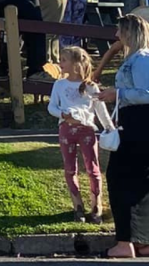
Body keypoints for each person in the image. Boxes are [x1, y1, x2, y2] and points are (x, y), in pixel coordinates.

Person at [98, 16, 149, 258]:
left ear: (129, 32)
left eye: (120, 31)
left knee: (119, 178)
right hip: (135, 122)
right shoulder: (135, 59)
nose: (117, 36)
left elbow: (146, 94)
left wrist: (117, 93)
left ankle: (124, 241)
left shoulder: (141, 60)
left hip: (140, 124)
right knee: (139, 181)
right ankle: (141, 240)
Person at [48, 46, 109, 224]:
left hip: (87, 130)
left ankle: (96, 205)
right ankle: (78, 205)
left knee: (93, 168)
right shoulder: (59, 84)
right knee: (70, 167)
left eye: (64, 60)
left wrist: (109, 128)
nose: (61, 63)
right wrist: (63, 115)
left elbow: (101, 109)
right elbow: (52, 107)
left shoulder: (90, 87)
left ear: (76, 64)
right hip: (66, 129)